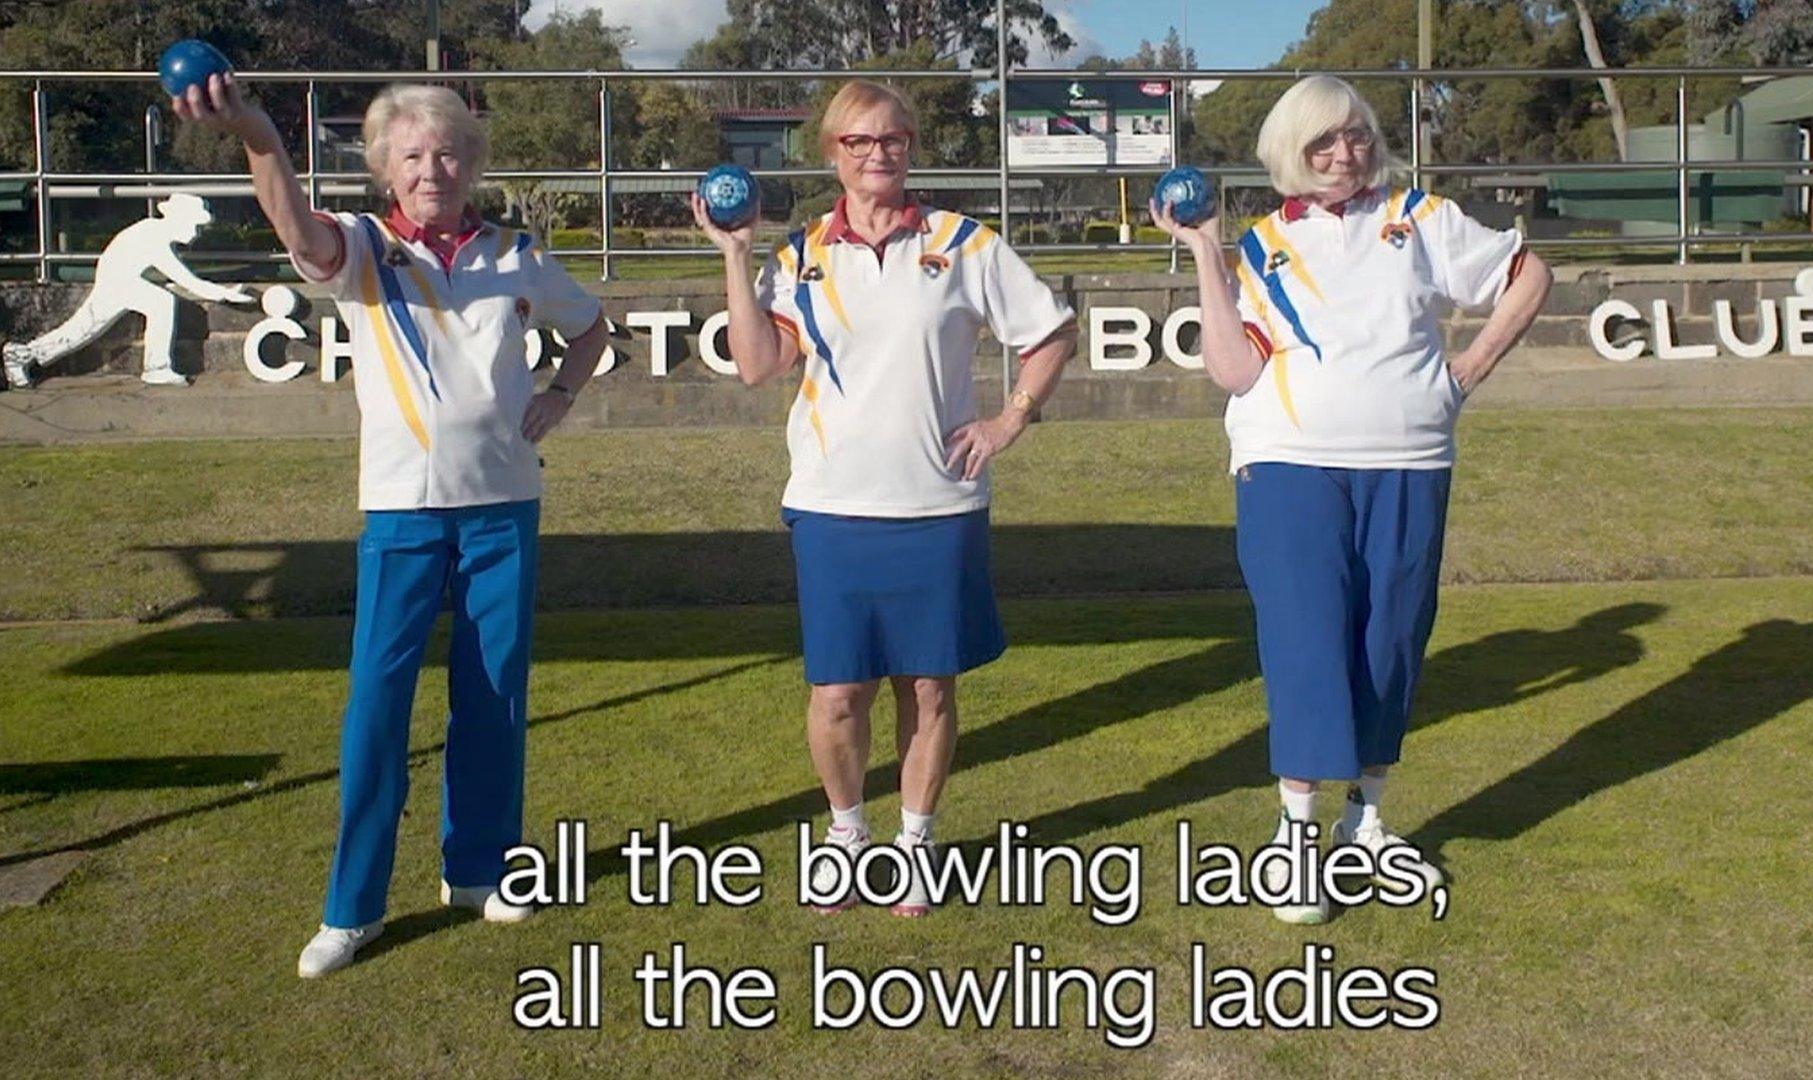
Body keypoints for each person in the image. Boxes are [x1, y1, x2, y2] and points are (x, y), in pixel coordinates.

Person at [174, 75, 609, 973]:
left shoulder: (514, 251)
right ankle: (353, 907)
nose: (432, 169)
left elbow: (593, 326)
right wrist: (258, 133)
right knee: (378, 705)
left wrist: (561, 394)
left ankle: (481, 871)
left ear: (472, 164)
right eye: (411, 155)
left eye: (447, 152)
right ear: (384, 171)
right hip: (403, 511)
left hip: (503, 506)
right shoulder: (365, 248)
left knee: (494, 697)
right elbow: (296, 226)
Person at [1150, 75, 1551, 924]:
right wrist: (1203, 254)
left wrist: (1467, 372)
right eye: (1323, 142)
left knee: (1391, 638)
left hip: (1410, 458)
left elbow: (1528, 272)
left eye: (1358, 135)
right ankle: (1295, 837)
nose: (1345, 154)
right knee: (1304, 639)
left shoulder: (1422, 220)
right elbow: (1233, 370)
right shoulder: (1257, 247)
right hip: (1289, 461)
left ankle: (1365, 820)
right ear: (1290, 154)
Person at [694, 79, 1076, 916]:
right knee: (838, 692)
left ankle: (915, 844)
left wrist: (1012, 416)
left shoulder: (963, 243)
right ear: (833, 152)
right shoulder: (798, 254)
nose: (878, 155)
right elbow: (760, 365)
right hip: (833, 504)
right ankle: (846, 836)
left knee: (929, 688)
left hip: (939, 506)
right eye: (859, 142)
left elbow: (1049, 331)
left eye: (893, 140)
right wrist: (734, 255)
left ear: (912, 147)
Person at [2, 192, 253, 388]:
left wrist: (221, 291)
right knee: (149, 307)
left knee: (81, 330)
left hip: (121, 282)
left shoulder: (154, 231)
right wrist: (224, 293)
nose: (198, 232)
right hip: (118, 284)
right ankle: (156, 369)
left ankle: (21, 354)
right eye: (195, 224)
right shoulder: (155, 236)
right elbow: (186, 280)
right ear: (180, 220)